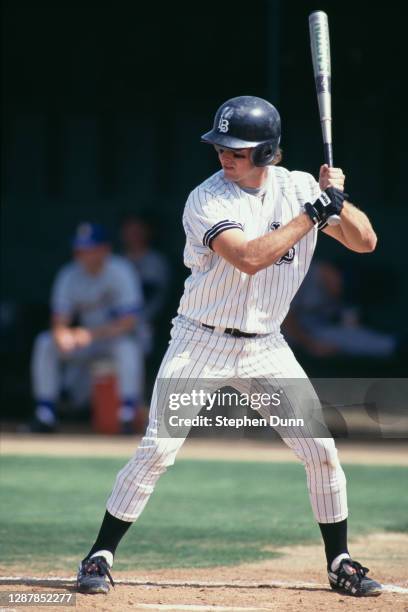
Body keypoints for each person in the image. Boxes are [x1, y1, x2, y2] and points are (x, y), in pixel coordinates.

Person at [76, 97, 382, 597]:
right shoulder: (207, 198)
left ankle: (339, 561)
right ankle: (98, 555)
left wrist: (337, 199)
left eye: (238, 150)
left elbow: (366, 241)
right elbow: (249, 258)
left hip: (267, 345)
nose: (225, 156)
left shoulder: (301, 187)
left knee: (321, 451)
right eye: (221, 147)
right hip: (200, 339)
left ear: (268, 153)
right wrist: (312, 214)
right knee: (158, 449)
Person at [29, 222, 144, 434]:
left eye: (89, 248)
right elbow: (59, 319)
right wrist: (61, 334)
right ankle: (45, 413)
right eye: (80, 249)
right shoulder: (69, 274)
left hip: (113, 339)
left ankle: (127, 414)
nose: (83, 254)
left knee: (127, 348)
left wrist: (90, 335)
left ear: (104, 249)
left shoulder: (120, 271)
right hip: (85, 341)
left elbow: (129, 322)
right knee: (45, 343)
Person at [283, 259, 398, 358]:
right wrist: (310, 344)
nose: (339, 289)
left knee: (343, 335)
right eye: (340, 284)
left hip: (314, 330)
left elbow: (347, 318)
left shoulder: (341, 291)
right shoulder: (301, 274)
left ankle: (396, 346)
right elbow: (286, 319)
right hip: (279, 337)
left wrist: (350, 321)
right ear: (334, 272)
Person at [120, 213, 170, 356]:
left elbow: (152, 297)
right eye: (129, 230)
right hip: (117, 321)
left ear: (147, 232)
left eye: (137, 230)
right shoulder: (115, 262)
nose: (133, 235)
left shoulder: (155, 261)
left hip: (147, 321)